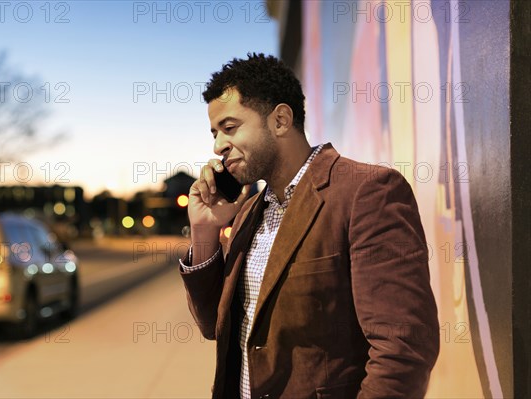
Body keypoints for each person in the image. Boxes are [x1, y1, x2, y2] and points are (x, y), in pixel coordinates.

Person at [178, 53, 439, 399]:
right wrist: (206, 230)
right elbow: (214, 326)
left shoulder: (367, 193)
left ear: (281, 120)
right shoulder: (247, 212)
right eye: (214, 133)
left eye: (230, 127)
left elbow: (403, 349)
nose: (217, 146)